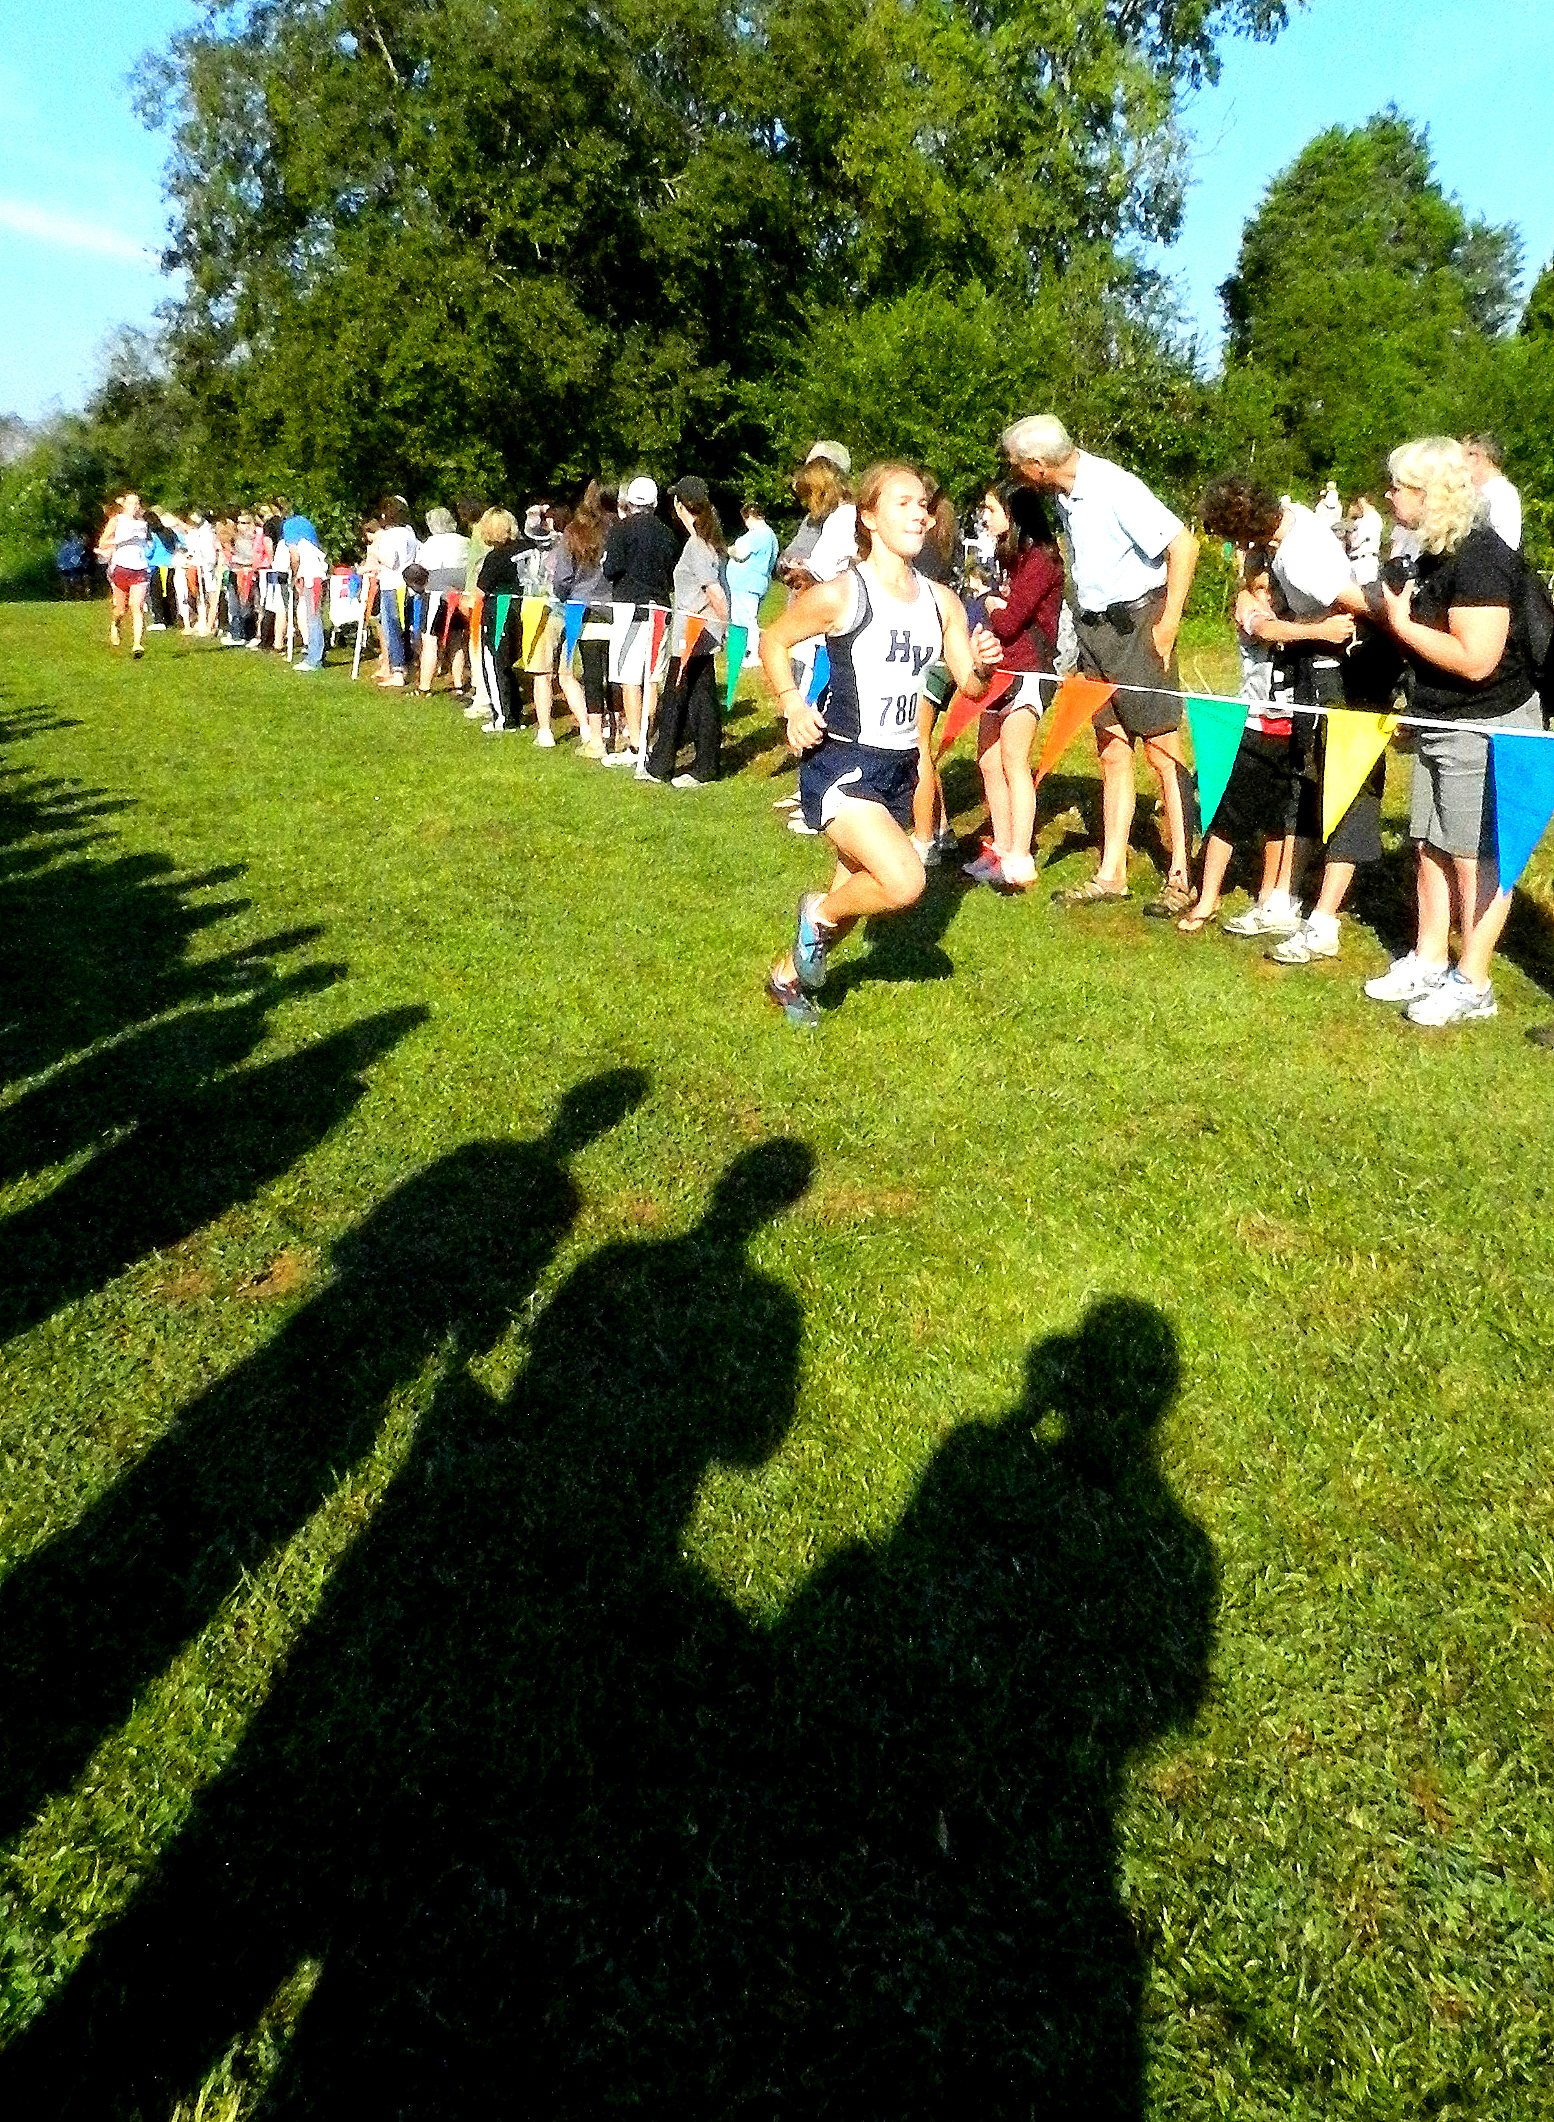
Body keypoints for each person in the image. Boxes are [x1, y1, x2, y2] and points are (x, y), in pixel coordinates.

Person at [759, 461, 1002, 1028]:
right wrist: (793, 704)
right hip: (842, 761)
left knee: (856, 891)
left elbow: (967, 684)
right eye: (903, 503)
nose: (920, 511)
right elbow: (774, 639)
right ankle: (812, 914)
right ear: (869, 518)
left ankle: (785, 979)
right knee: (904, 881)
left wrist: (985, 667)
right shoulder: (844, 592)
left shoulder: (942, 600)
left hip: (900, 767)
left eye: (923, 503)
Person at [1362, 437, 1541, 1026]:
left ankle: (1475, 981)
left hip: (1488, 721)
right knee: (1432, 843)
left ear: (1430, 495)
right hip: (1441, 715)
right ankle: (1429, 958)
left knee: (1477, 855)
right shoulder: (1435, 552)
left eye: (1398, 487)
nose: (1388, 496)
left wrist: (1401, 626)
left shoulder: (1483, 559)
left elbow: (1476, 659)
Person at [1002, 414, 1198, 917]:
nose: (1014, 473)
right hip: (1093, 633)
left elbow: (1184, 545)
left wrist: (1168, 623)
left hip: (1137, 628)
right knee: (1111, 750)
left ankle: (1181, 875)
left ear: (1038, 465)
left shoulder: (1113, 486)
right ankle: (1112, 873)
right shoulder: (1064, 497)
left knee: (1161, 749)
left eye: (1016, 465)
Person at [1199, 474, 1394, 966]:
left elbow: (1361, 609)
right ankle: (1282, 900)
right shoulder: (1298, 521)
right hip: (1312, 677)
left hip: (1346, 684)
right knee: (1305, 788)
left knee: (1348, 792)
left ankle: (1324, 923)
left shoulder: (1299, 557)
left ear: (1242, 533)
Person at [1175, 550, 1300, 935]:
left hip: (1293, 731)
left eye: (1275, 591)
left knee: (1278, 821)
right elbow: (1265, 630)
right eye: (1262, 589)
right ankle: (1207, 897)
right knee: (1228, 816)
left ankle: (1268, 895)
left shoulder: (1297, 614)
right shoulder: (1249, 608)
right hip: (1255, 727)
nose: (1269, 598)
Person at [964, 485, 1065, 890]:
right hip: (999, 669)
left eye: (990, 509)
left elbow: (1009, 621)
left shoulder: (1041, 559)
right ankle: (1001, 847)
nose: (985, 517)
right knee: (988, 761)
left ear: (1012, 512)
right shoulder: (1012, 557)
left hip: (1030, 671)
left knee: (1014, 760)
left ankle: (1020, 856)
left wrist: (988, 601)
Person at [645, 477, 729, 787]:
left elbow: (715, 592)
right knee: (701, 698)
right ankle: (706, 764)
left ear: (681, 505)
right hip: (702, 633)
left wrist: (729, 627)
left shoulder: (696, 545)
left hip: (693, 634)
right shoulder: (710, 541)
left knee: (675, 699)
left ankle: (660, 765)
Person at [601, 476, 676, 762]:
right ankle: (648, 736)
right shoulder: (667, 533)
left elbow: (611, 570)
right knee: (652, 677)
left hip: (629, 608)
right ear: (655, 503)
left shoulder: (620, 530)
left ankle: (636, 743)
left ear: (629, 502)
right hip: (660, 608)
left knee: (629, 678)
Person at [552, 483, 613, 758]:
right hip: (615, 608)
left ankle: (597, 739)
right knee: (615, 674)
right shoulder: (618, 531)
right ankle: (620, 730)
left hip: (583, 608)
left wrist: (563, 595)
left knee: (591, 674)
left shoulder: (574, 533)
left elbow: (563, 578)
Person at [474, 508, 529, 734]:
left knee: (496, 663)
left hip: (500, 611)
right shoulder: (528, 549)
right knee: (510, 662)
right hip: (526, 608)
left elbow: (481, 590)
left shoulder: (496, 557)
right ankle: (514, 711)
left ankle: (504, 717)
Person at [414, 506, 471, 696]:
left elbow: (420, 567)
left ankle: (425, 686)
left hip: (436, 593)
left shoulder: (430, 543)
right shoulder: (466, 542)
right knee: (457, 640)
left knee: (429, 640)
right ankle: (458, 684)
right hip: (461, 593)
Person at [95, 493, 151, 657]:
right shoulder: (116, 521)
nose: (135, 506)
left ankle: (137, 645)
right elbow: (102, 543)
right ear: (124, 505)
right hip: (120, 568)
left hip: (140, 568)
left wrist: (147, 545)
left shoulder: (143, 523)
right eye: (131, 503)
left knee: (137, 606)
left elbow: (146, 542)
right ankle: (115, 624)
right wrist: (121, 540)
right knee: (120, 609)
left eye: (137, 503)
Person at [372, 498, 418, 688]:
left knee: (393, 629)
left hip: (392, 585)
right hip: (406, 585)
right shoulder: (409, 533)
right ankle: (404, 667)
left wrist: (374, 552)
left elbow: (391, 561)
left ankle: (398, 671)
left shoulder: (391, 535)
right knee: (404, 628)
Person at [726, 500, 778, 658]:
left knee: (746, 619)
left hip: (746, 582)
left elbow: (741, 554)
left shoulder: (759, 534)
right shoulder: (771, 535)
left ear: (749, 517)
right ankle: (740, 651)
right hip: (754, 582)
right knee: (743, 617)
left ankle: (751, 652)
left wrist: (729, 549)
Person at [281, 506, 329, 673]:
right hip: (315, 575)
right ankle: (316, 654)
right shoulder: (307, 525)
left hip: (311, 577)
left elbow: (294, 556)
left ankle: (315, 658)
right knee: (312, 616)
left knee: (313, 617)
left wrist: (295, 574)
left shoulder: (289, 527)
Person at [1463, 433, 1522, 552]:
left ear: (1475, 457)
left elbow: (1507, 547)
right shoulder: (1487, 493)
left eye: (1462, 457)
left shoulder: (1502, 494)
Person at [1346, 495, 1382, 585]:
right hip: (1354, 561)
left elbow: (1356, 542)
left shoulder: (1372, 517)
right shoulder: (1361, 520)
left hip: (1365, 562)